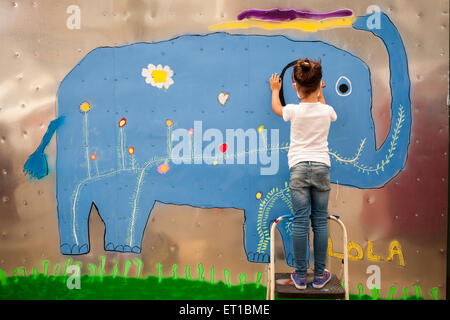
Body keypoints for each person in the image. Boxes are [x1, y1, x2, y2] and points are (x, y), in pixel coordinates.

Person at [269, 58, 337, 290]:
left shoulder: (293, 111)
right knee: (319, 221)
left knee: (300, 221)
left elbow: (277, 108)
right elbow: (326, 111)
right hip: (321, 168)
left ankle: (299, 275)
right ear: (320, 86)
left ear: (295, 87)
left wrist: (275, 90)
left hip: (298, 168)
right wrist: (319, 93)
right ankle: (319, 276)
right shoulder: (327, 110)